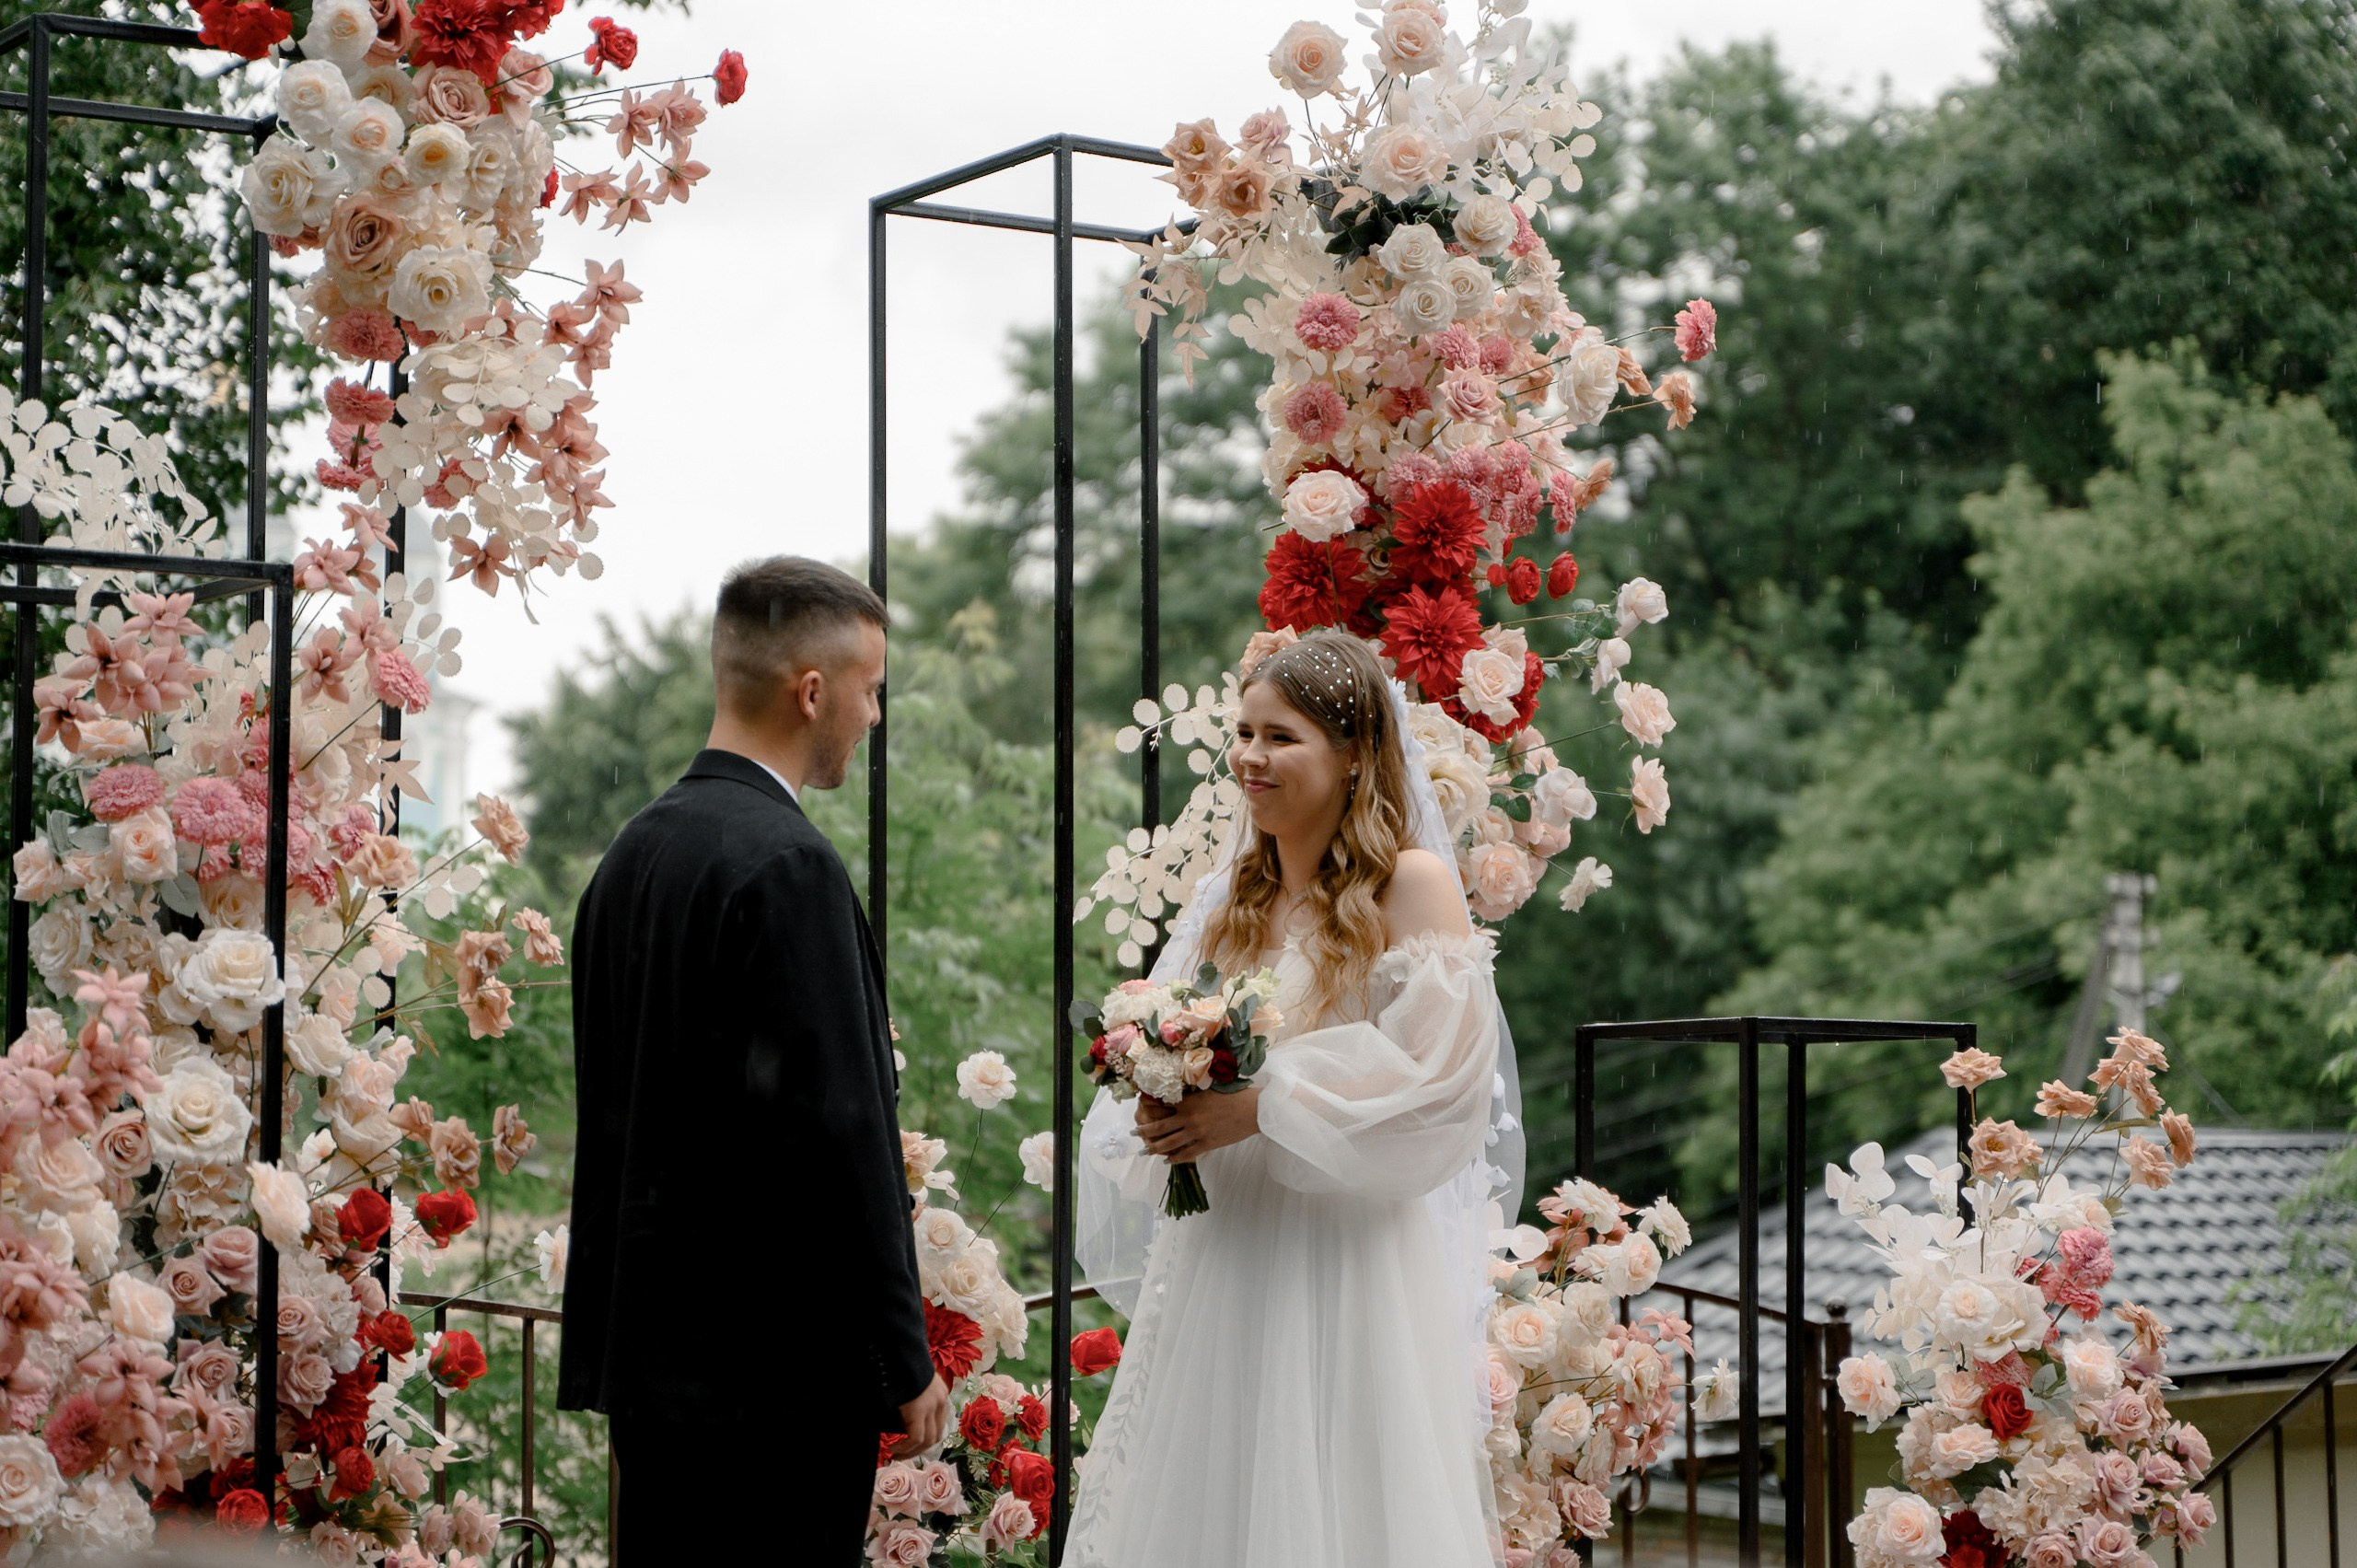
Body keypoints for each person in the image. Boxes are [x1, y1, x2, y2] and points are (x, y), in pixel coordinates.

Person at [1068, 630, 1507, 1568]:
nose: (1251, 758)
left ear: (1352, 753)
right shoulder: (1231, 898)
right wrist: (1164, 1096)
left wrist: (1264, 1106)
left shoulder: (1411, 884)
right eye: (1244, 733)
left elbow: (1442, 1082)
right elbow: (1187, 1043)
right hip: (1226, 1252)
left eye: (1280, 737)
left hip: (1342, 1254)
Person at [557, 556, 948, 1559]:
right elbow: (843, 1129)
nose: (873, 715)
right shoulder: (789, 864)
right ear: (811, 691)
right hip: (771, 1382)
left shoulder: (628, 857)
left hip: (651, 1371)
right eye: (871, 690)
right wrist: (903, 1354)